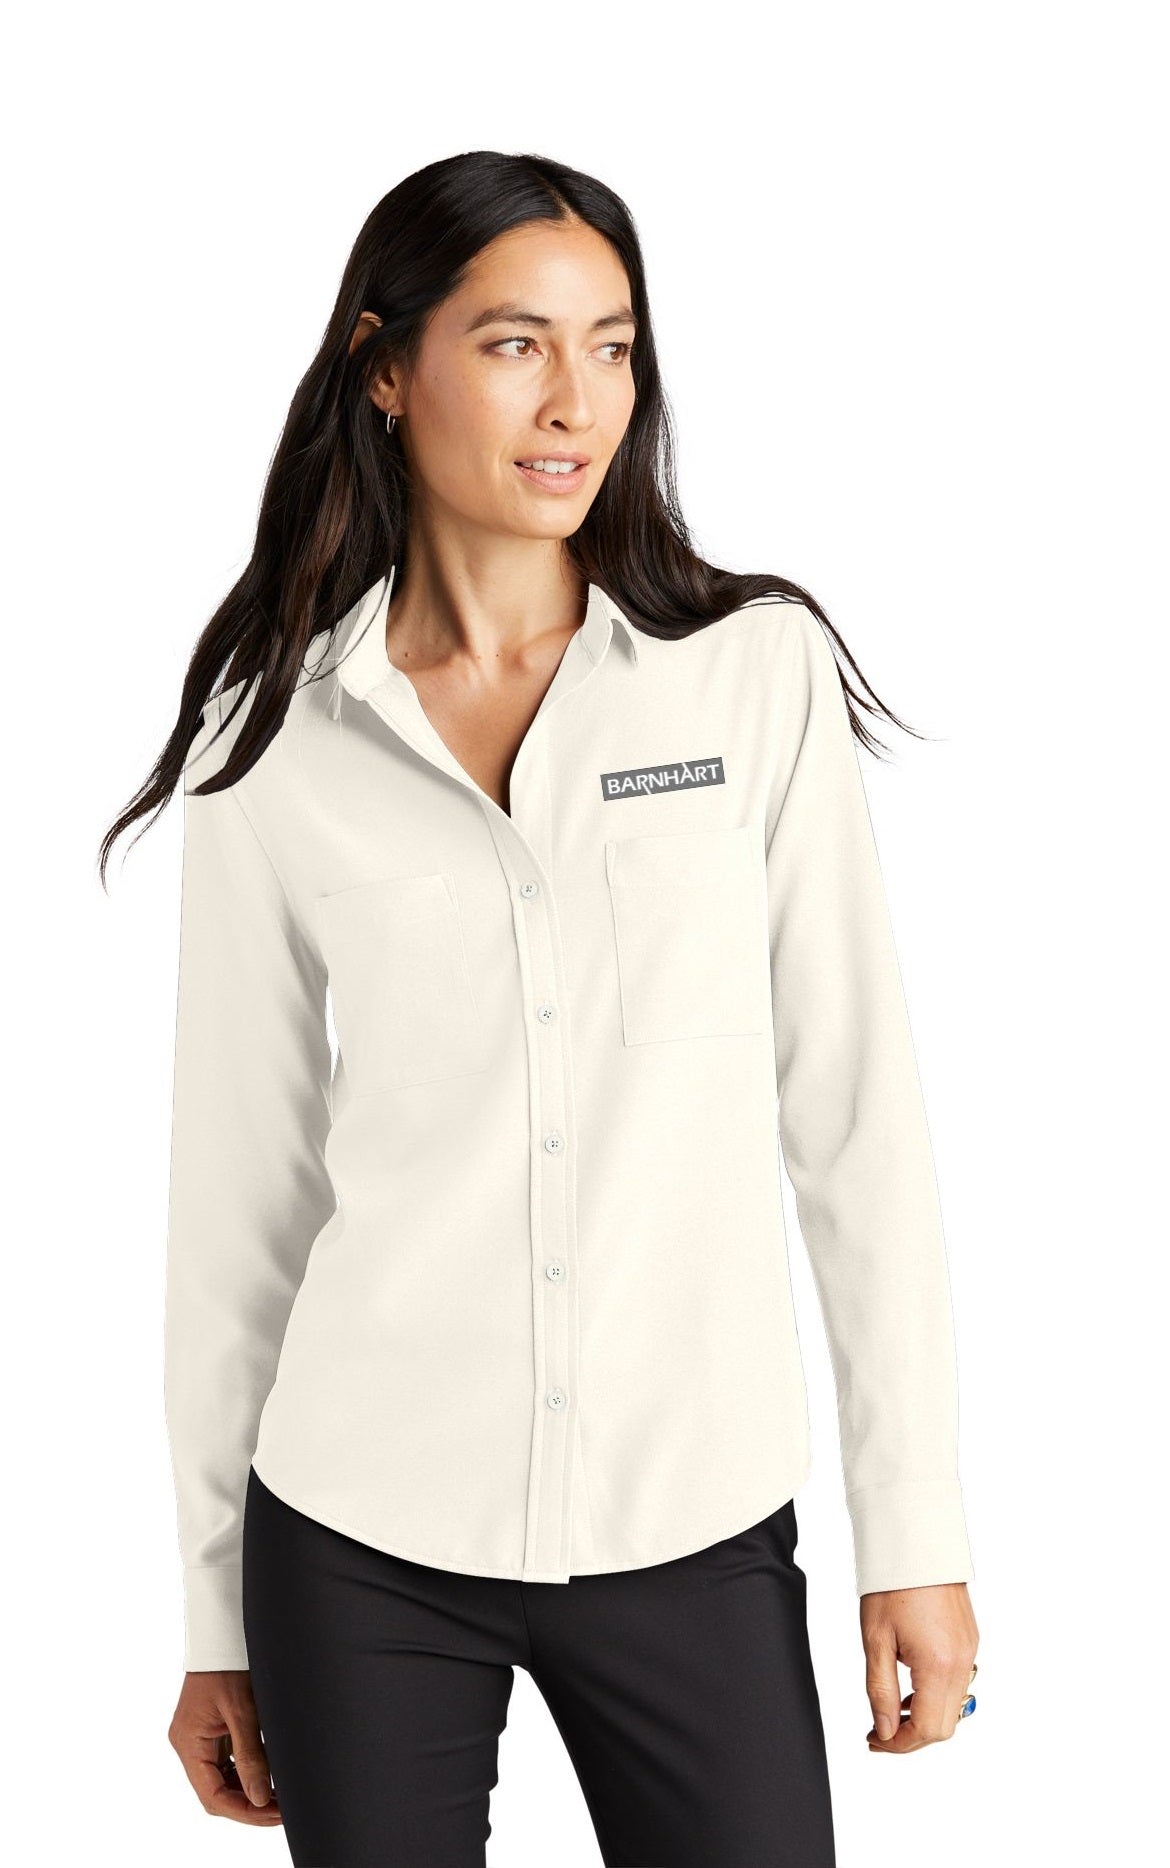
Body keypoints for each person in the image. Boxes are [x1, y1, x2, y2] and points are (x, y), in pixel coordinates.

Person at [101, 149, 980, 1867]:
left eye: (612, 347)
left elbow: (856, 1121)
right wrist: (215, 1608)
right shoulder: (273, 731)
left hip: (691, 1513)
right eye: (514, 344)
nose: (576, 401)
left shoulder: (750, 675)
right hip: (357, 1535)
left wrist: (916, 1531)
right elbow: (238, 1200)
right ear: (384, 366)